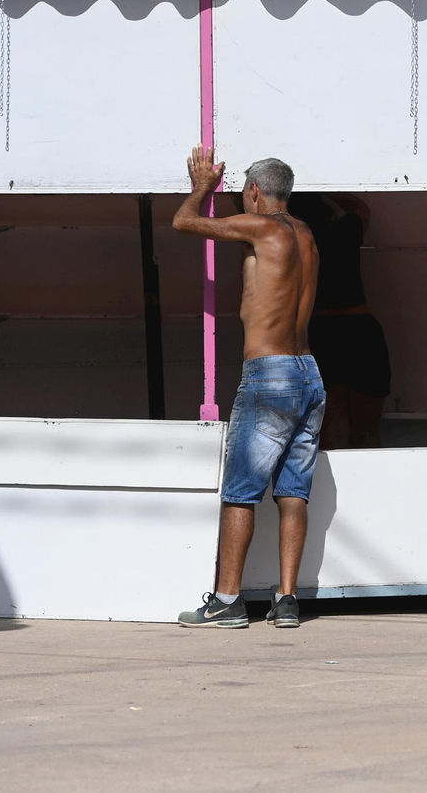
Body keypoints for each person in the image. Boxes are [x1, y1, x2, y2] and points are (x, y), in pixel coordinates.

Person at [172, 147, 320, 630]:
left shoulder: (262, 226)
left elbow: (183, 223)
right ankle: (287, 599)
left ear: (254, 192)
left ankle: (228, 601)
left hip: (270, 372)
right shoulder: (305, 235)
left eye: (242, 193)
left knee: (240, 491)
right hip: (308, 373)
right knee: (293, 492)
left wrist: (201, 187)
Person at [288, 193, 391, 449]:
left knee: (332, 432)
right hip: (361, 330)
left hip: (321, 333)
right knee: (367, 432)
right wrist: (324, 187)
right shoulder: (345, 229)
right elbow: (360, 207)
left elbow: (247, 210)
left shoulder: (290, 241)